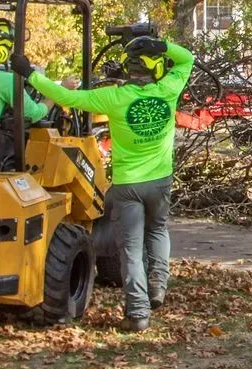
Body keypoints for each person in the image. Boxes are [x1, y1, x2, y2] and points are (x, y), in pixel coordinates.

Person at [15, 26, 192, 333]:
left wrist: (31, 74)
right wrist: (158, 42)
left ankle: (138, 313)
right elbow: (186, 58)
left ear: (130, 68)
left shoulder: (114, 97)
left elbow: (65, 95)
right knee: (159, 230)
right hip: (160, 180)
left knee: (131, 249)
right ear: (158, 66)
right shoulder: (170, 89)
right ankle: (158, 286)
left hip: (127, 185)